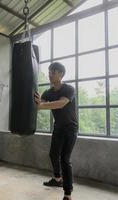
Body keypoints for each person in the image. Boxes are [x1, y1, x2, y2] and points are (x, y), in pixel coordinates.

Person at [34, 62, 78, 200]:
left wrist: (42, 105)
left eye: (53, 72)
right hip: (58, 127)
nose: (50, 74)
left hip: (70, 128)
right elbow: (39, 102)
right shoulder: (48, 92)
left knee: (65, 159)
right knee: (53, 154)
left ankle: (68, 193)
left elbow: (61, 103)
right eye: (49, 72)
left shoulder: (69, 89)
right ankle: (57, 179)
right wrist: (35, 100)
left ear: (61, 74)